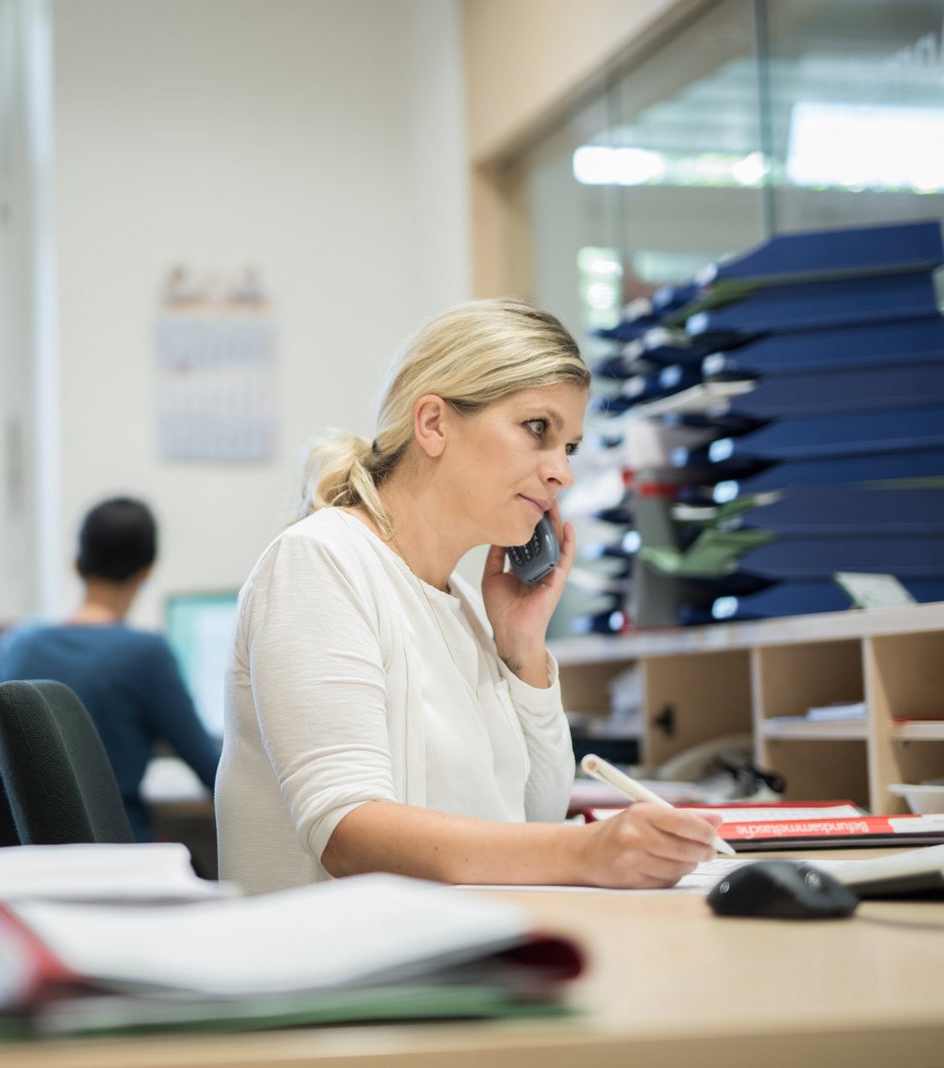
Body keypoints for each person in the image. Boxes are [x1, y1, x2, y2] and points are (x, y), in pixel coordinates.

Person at [215, 298, 724, 894]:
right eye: (539, 430)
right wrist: (586, 850)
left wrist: (522, 649)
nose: (562, 472)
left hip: (450, 950)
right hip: (336, 973)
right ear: (433, 424)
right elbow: (348, 836)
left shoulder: (457, 602)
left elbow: (531, 819)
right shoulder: (320, 562)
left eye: (570, 448)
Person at [0, 496, 221, 841]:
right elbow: (212, 771)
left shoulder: (16, 644)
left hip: (29, 864)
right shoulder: (146, 653)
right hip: (121, 857)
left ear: (76, 564)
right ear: (145, 573)